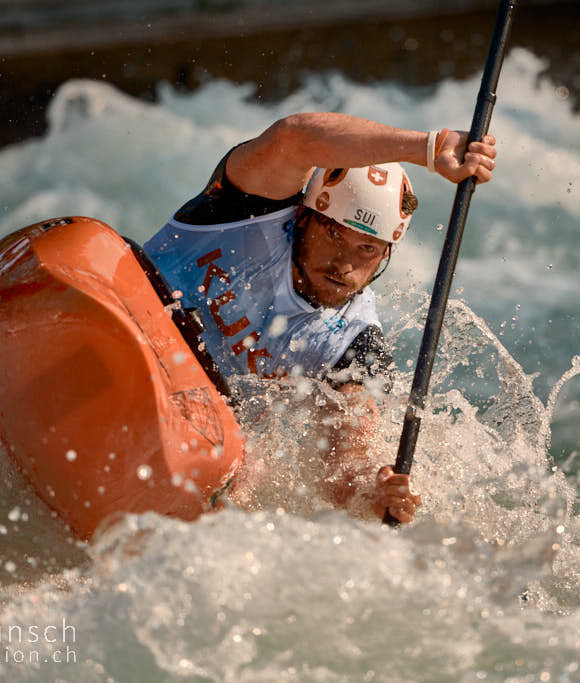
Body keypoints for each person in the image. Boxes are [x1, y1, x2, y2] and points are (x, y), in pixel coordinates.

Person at [143, 112, 496, 524]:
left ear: (385, 255)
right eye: (333, 234)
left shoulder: (353, 344)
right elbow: (295, 137)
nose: (344, 265)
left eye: (366, 249)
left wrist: (375, 490)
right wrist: (428, 148)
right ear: (303, 218)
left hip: (192, 427)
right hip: (134, 328)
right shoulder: (248, 208)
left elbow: (346, 462)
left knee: (246, 474)